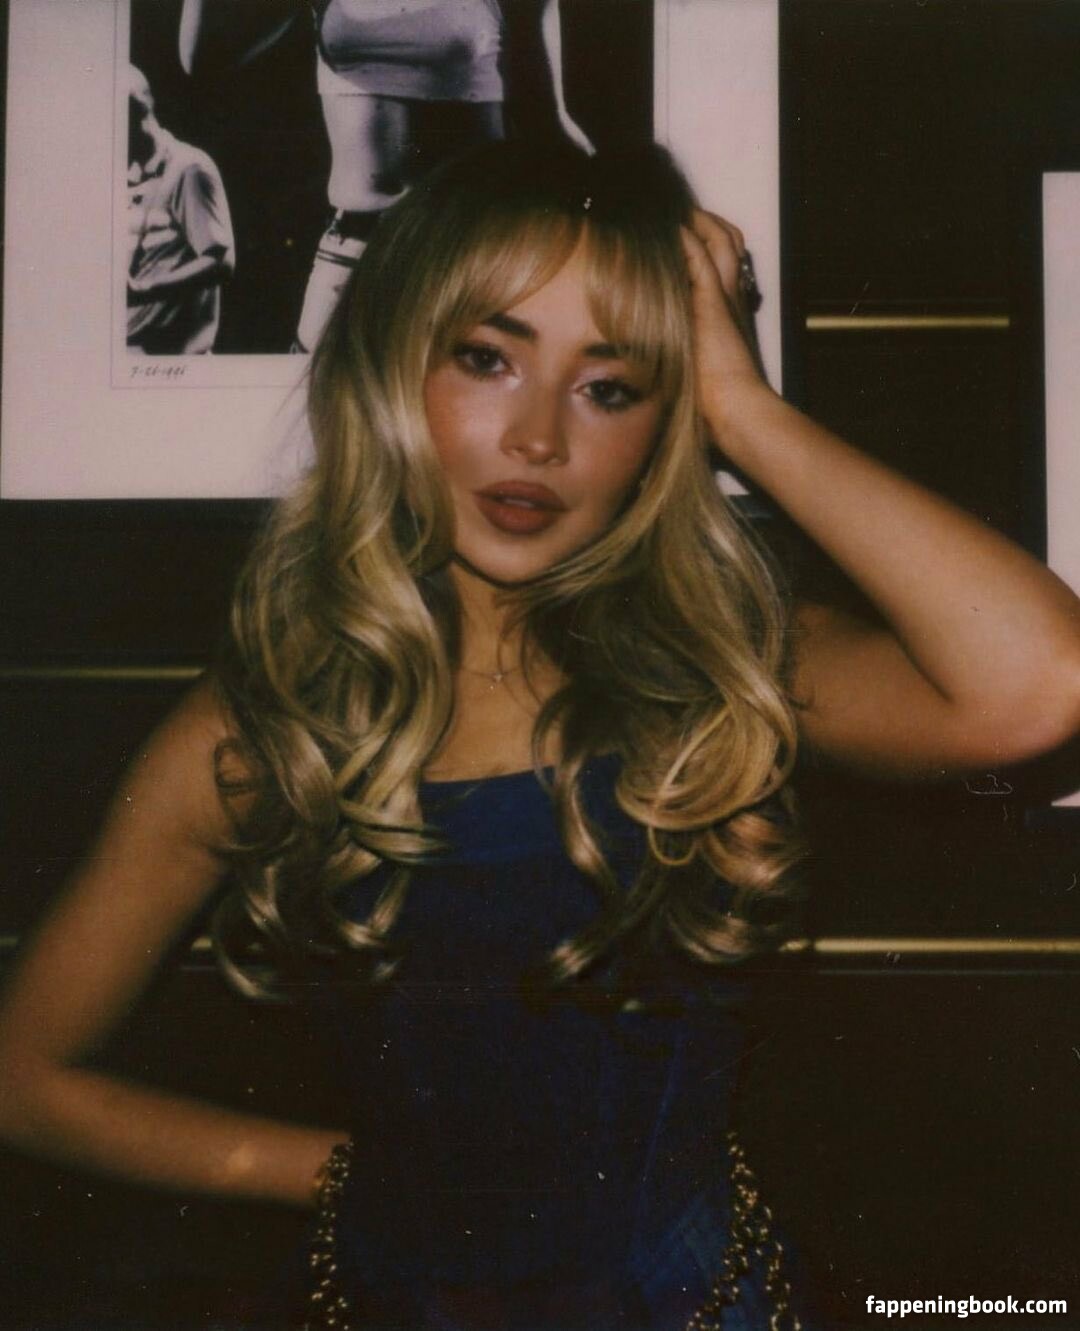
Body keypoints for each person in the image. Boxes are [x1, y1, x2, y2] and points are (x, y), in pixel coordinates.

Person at [3, 142, 1080, 1329]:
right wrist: (328, 1171)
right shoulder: (268, 726)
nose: (538, 438)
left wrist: (743, 408)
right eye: (487, 357)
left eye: (609, 387)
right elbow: (21, 1077)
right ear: (390, 364)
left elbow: (1040, 683)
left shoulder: (726, 663)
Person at [179, 0, 591, 351]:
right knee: (313, 411)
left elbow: (548, 123)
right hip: (355, 249)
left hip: (470, 251)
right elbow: (204, 58)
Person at [126, 64, 235, 355]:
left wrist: (141, 290)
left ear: (136, 113)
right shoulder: (124, 172)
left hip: (173, 361)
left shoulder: (189, 167)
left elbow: (221, 262)